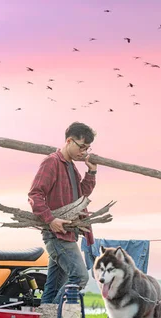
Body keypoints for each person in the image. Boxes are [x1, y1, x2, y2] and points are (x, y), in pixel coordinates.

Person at [28, 122, 98, 304]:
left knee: (53, 288)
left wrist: (91, 171)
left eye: (87, 148)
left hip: (68, 234)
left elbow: (80, 196)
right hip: (57, 235)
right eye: (81, 146)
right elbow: (35, 194)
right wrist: (50, 219)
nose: (83, 152)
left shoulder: (71, 167)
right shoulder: (52, 162)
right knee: (79, 277)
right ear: (69, 141)